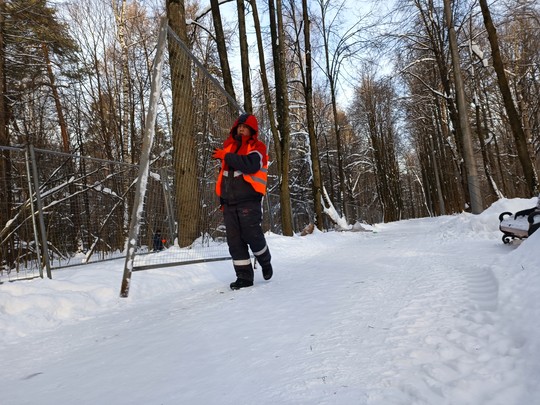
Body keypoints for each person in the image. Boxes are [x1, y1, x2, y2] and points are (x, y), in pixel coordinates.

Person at [212, 113, 273, 290]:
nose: (241, 129)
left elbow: (251, 165)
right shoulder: (228, 147)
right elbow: (224, 177)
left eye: (245, 127)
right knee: (235, 242)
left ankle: (265, 261)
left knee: (252, 235)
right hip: (229, 203)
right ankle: (244, 277)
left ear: (252, 130)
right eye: (239, 126)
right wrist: (222, 199)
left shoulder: (257, 147)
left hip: (249, 200)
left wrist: (227, 156)